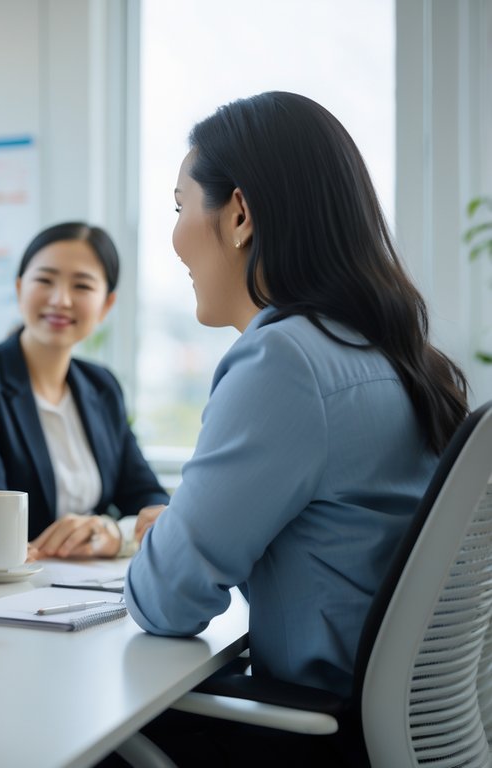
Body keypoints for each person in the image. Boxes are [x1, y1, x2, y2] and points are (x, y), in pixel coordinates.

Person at [124, 91, 468, 764]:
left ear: (239, 215)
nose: (172, 238)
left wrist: (167, 533)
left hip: (311, 736)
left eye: (178, 206)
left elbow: (166, 602)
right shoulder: (392, 355)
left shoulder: (283, 361)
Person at [0, 223, 168, 560]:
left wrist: (112, 532)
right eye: (45, 281)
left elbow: (151, 501)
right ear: (19, 289)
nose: (60, 300)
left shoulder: (102, 386)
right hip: (10, 584)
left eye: (82, 285)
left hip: (96, 587)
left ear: (106, 304)